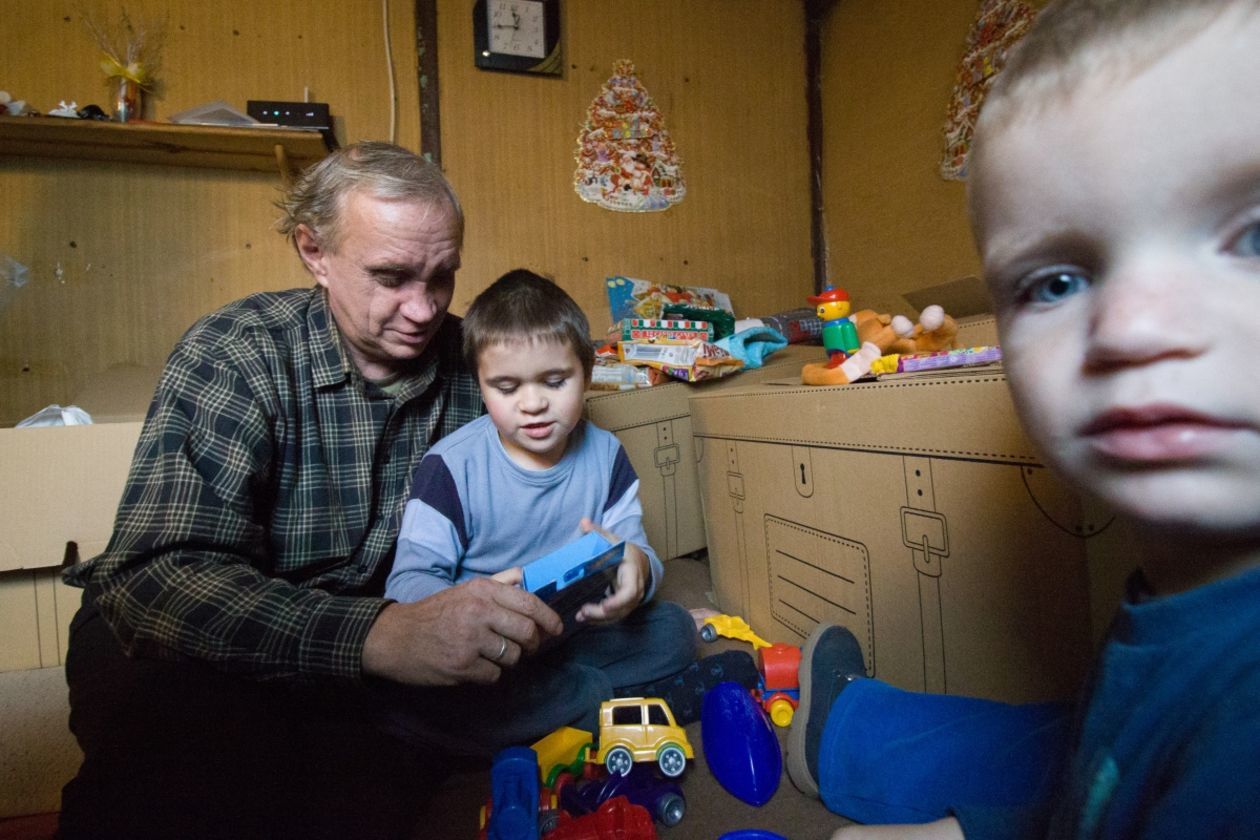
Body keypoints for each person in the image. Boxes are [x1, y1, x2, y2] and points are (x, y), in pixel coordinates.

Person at [786, 0, 1260, 837]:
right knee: (1065, 743)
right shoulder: (1193, 594)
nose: (1130, 328)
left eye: (1252, 239)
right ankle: (859, 728)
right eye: (1055, 284)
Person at [57, 142, 566, 840]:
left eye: (442, 276)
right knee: (186, 767)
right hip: (183, 639)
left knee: (368, 788)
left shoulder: (482, 367)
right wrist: (377, 634)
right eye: (391, 277)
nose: (423, 309)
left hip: (379, 647)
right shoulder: (236, 351)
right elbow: (159, 578)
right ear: (314, 252)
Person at [379, 269, 698, 754]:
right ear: (480, 384)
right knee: (407, 698)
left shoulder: (607, 454)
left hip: (572, 631)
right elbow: (406, 586)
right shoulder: (451, 466)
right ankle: (580, 700)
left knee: (675, 630)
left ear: (586, 374)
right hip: (488, 652)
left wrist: (637, 569)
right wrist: (471, 604)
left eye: (554, 381)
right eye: (506, 387)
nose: (532, 404)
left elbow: (637, 553)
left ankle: (563, 703)